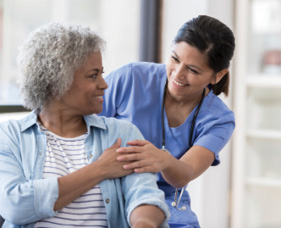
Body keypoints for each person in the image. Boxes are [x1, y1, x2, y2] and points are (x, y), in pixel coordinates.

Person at [0, 22, 170, 228]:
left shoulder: (122, 134)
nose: (104, 84)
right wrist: (99, 169)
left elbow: (144, 195)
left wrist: (144, 224)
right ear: (56, 84)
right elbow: (14, 206)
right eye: (93, 75)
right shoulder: (10, 136)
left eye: (102, 73)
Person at [99, 15, 235, 228]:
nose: (177, 74)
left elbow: (184, 175)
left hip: (167, 203)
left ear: (217, 76)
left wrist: (163, 160)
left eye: (192, 70)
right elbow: (81, 127)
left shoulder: (219, 119)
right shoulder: (131, 78)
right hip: (107, 189)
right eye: (174, 59)